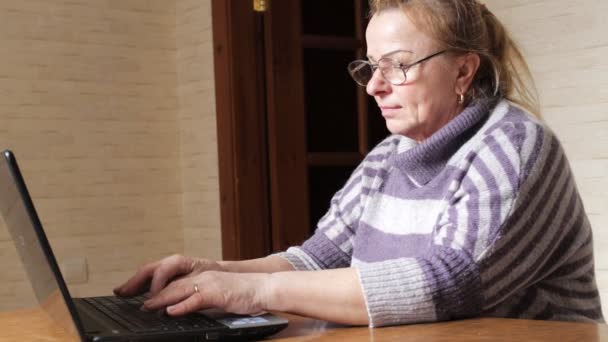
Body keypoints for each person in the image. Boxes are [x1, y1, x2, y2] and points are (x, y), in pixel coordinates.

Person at [114, 0, 604, 327]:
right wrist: (216, 272)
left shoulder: (513, 144)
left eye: (398, 65)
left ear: (463, 70)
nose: (374, 86)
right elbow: (316, 258)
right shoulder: (389, 157)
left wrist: (254, 293)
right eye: (372, 67)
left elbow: (449, 283)